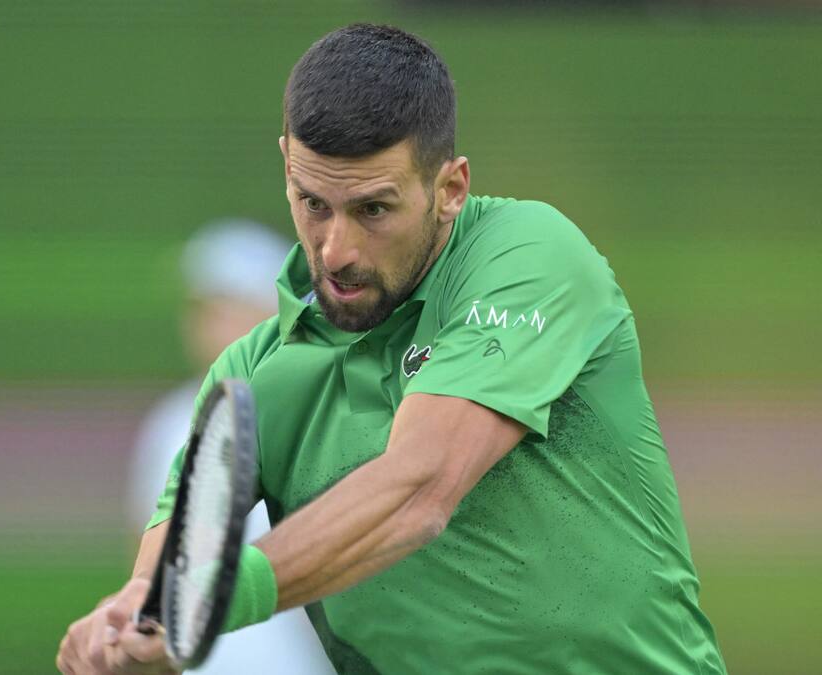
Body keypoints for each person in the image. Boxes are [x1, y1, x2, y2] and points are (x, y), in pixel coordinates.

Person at [58, 23, 727, 674]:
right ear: (287, 164)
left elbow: (421, 488)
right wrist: (125, 635)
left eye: (373, 209)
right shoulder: (252, 372)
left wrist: (214, 597)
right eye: (312, 202)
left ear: (450, 188)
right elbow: (161, 590)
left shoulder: (529, 255)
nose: (336, 250)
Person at [126, 219, 335, 675]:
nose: (203, 323)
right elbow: (142, 569)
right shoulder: (168, 423)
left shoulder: (324, 416)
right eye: (200, 308)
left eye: (222, 306)